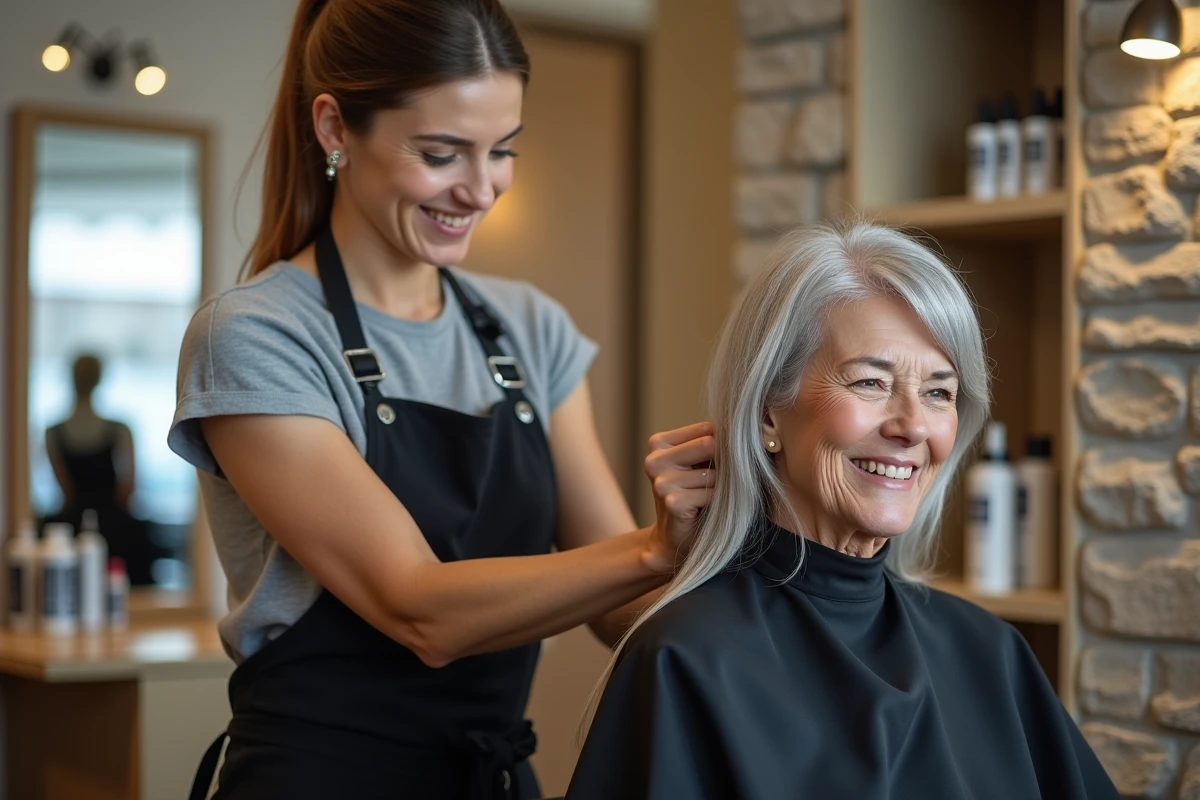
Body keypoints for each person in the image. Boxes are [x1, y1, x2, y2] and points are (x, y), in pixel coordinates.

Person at [168, 1, 712, 798]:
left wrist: (762, 565)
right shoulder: (257, 335)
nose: (482, 190)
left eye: (503, 150)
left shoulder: (530, 328)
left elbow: (617, 607)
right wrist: (657, 548)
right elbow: (419, 609)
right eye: (441, 153)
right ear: (335, 128)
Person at [565, 222, 1120, 799]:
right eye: (871, 383)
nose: (912, 427)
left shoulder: (989, 650)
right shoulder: (685, 654)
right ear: (768, 412)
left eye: (938, 392)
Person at [45, 354, 157, 584]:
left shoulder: (53, 433)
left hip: (74, 526)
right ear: (99, 379)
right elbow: (129, 487)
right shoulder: (120, 429)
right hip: (115, 528)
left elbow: (66, 491)